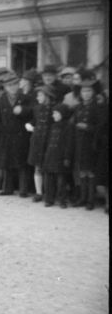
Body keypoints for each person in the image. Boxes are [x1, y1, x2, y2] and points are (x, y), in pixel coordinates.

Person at [0, 71, 33, 197]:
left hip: (21, 136)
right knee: (7, 163)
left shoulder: (26, 99)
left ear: (18, 85)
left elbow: (32, 112)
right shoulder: (2, 100)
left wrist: (23, 111)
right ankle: (7, 188)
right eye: (9, 86)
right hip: (7, 136)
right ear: (5, 88)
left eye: (14, 85)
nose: (12, 88)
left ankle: (23, 189)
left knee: (22, 164)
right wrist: (2, 129)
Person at [70, 72, 105, 210]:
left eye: (89, 91)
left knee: (90, 172)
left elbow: (101, 127)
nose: (86, 93)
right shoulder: (78, 107)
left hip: (92, 144)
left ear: (94, 92)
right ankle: (82, 198)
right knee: (81, 171)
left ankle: (91, 199)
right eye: (84, 91)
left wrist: (88, 127)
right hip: (79, 143)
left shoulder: (98, 108)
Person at [26, 84, 55, 202]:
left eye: (40, 95)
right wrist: (29, 125)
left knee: (48, 167)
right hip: (37, 140)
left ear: (47, 96)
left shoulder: (54, 108)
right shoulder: (36, 108)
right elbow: (34, 120)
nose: (38, 97)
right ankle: (39, 192)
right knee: (37, 167)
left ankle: (50, 193)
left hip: (49, 141)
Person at [42, 104, 73, 208]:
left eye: (55, 113)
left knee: (61, 181)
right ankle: (49, 199)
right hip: (50, 156)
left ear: (62, 114)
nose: (53, 115)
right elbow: (47, 142)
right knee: (49, 180)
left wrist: (67, 157)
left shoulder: (68, 127)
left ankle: (62, 200)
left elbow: (69, 143)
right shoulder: (52, 126)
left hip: (60, 157)